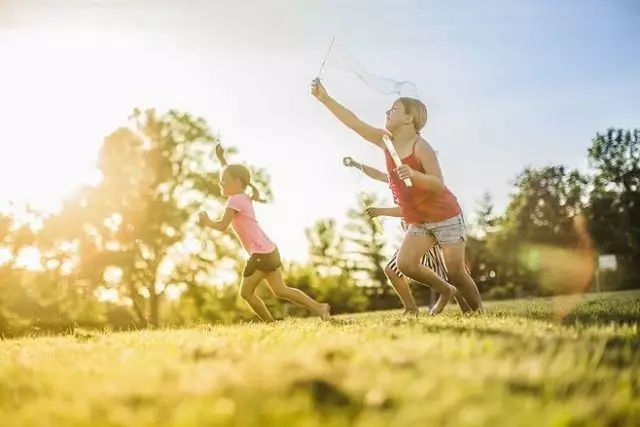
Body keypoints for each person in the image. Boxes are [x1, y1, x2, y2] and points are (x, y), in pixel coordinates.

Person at [312, 79, 483, 315]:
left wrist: (414, 174)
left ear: (409, 118)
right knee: (404, 264)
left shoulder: (421, 147)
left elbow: (438, 183)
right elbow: (355, 124)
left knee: (455, 270)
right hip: (419, 221)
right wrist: (325, 98)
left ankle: (477, 311)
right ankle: (446, 290)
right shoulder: (385, 141)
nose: (386, 112)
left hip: (446, 216)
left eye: (393, 109)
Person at [199, 144, 331, 322]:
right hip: (269, 250)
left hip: (261, 254)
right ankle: (319, 307)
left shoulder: (234, 201)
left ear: (236, 182)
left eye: (223, 180)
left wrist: (207, 222)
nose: (219, 182)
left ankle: (271, 323)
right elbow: (233, 174)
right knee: (280, 290)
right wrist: (222, 160)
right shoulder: (243, 196)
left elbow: (223, 225)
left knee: (246, 293)